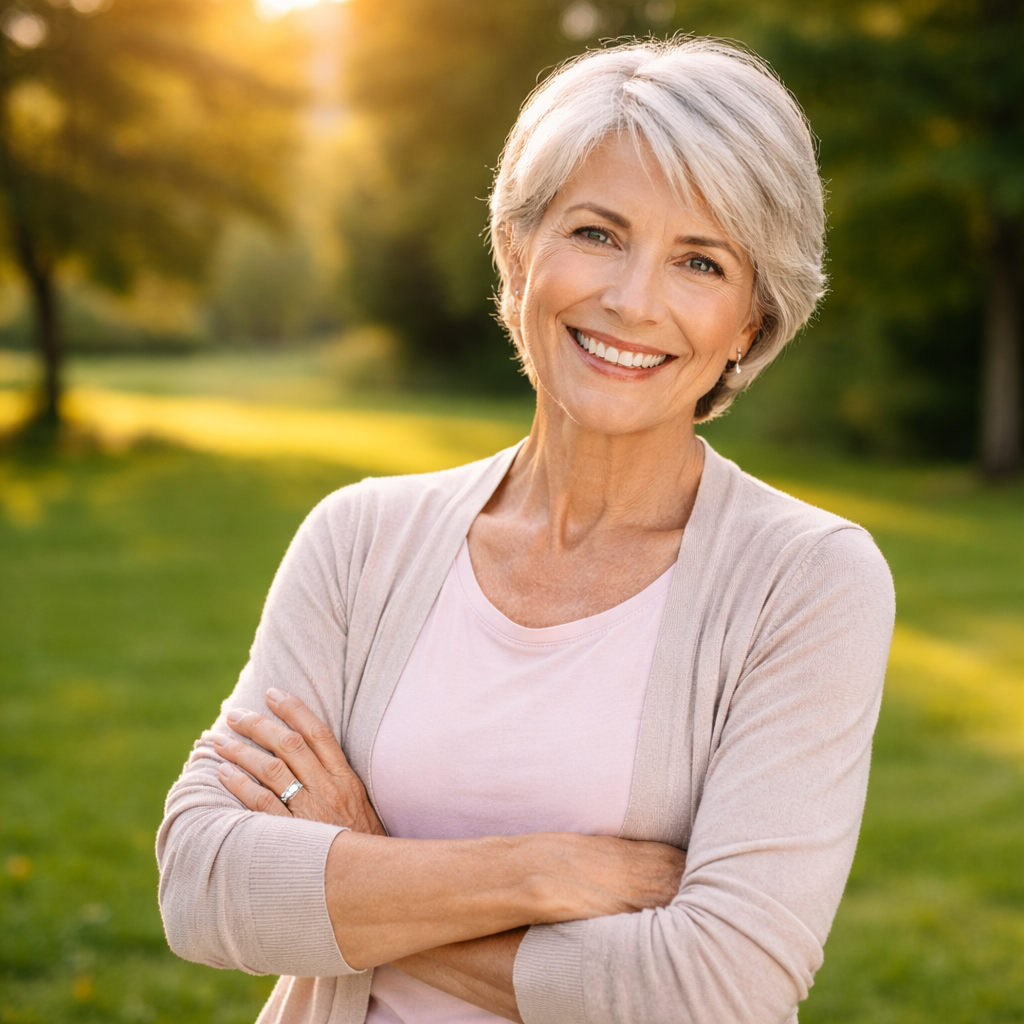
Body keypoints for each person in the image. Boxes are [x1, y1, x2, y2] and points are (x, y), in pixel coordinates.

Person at [157, 37, 895, 1024]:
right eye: (596, 233)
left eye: (698, 260)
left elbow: (714, 990)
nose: (631, 299)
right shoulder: (358, 538)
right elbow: (203, 887)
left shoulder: (805, 581)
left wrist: (360, 866)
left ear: (750, 325)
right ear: (517, 251)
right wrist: (540, 872)